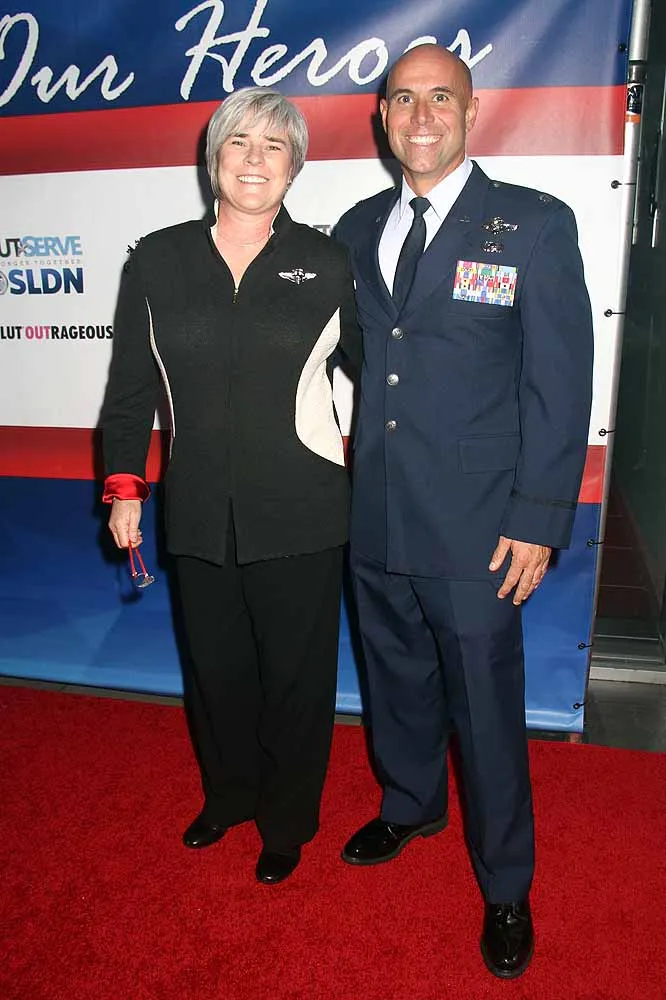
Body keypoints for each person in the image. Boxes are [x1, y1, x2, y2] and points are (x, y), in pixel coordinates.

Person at [334, 45, 593, 978]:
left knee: (485, 710)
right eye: (403, 99)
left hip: (483, 526)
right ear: (382, 116)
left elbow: (560, 384)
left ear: (472, 111)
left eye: (440, 97)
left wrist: (538, 516)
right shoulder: (356, 227)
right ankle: (411, 805)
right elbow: (362, 358)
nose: (421, 116)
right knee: (395, 677)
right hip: (378, 508)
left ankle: (507, 886)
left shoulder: (533, 225)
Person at [100, 87, 359, 886]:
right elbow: (129, 389)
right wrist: (125, 486)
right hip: (198, 512)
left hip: (304, 512)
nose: (254, 159)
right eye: (238, 142)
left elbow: (386, 375)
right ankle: (230, 795)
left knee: (296, 680)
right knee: (215, 672)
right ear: (212, 157)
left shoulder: (329, 264)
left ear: (295, 166)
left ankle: (286, 821)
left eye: (274, 146)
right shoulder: (157, 260)